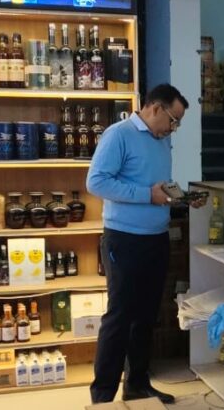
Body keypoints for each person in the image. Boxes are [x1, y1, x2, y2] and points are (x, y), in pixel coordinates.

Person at [86, 83, 205, 404]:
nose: (173, 128)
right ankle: (102, 396)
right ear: (154, 108)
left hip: (156, 238)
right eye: (173, 120)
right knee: (120, 317)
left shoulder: (161, 140)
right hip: (124, 240)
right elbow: (96, 182)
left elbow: (157, 187)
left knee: (146, 316)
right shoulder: (118, 134)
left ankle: (137, 384)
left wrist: (181, 198)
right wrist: (146, 195)